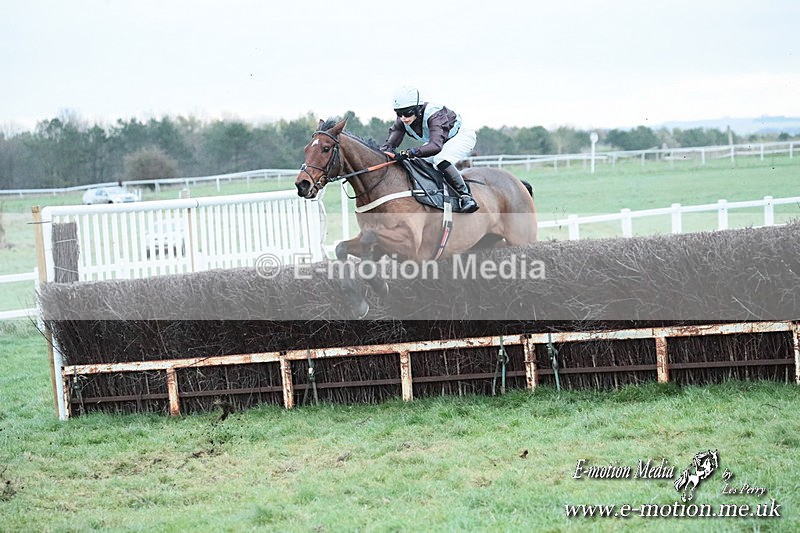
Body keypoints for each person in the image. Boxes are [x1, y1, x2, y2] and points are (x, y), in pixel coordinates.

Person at [380, 86, 479, 212]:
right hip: (441, 140)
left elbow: (436, 146)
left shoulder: (434, 114)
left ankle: (466, 196)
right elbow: (390, 144)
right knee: (419, 162)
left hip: (461, 135)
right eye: (399, 113)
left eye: (407, 113)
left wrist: (409, 153)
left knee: (440, 159)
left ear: (418, 108)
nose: (403, 118)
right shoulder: (402, 120)